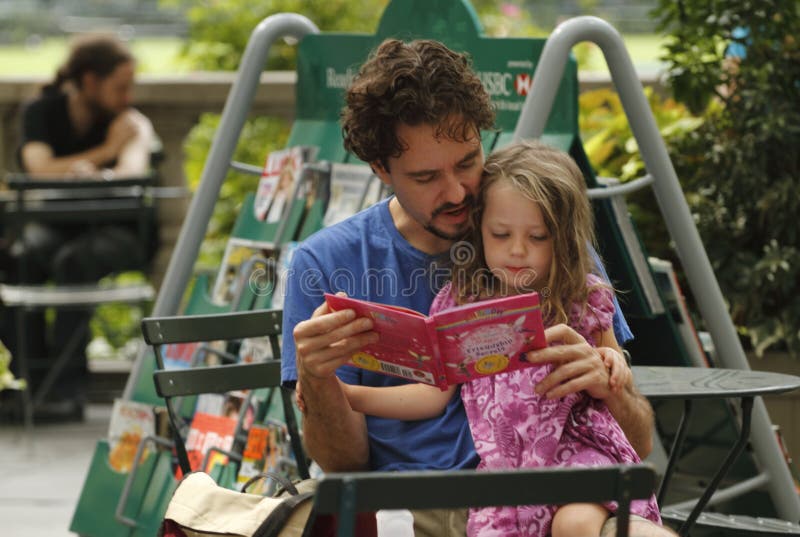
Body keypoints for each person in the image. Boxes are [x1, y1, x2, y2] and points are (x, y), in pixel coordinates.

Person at [281, 39, 664, 537]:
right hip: (417, 509)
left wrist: (611, 384)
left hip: (561, 494)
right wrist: (317, 379)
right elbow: (342, 461)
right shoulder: (327, 262)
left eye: (466, 162)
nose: (459, 192)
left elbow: (638, 438)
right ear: (380, 170)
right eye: (426, 177)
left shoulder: (543, 236)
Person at [340, 140, 663, 537]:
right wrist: (349, 397)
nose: (517, 250)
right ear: (480, 230)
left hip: (580, 459)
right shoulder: (461, 302)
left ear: (563, 238)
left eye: (538, 237)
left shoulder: (582, 297)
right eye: (500, 233)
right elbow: (432, 393)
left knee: (576, 523)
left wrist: (612, 370)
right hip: (507, 476)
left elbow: (618, 375)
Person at [6, 33, 157, 420]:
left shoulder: (129, 120)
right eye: (120, 86)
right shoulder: (42, 111)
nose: (128, 96)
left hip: (121, 230)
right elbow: (39, 168)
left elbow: (132, 172)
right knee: (17, 257)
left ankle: (66, 390)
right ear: (90, 81)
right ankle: (35, 381)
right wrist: (105, 153)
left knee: (74, 263)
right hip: (60, 224)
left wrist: (84, 168)